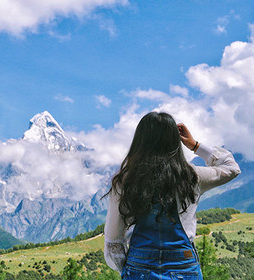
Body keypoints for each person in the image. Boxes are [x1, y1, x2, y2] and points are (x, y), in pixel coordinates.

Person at [103, 112, 241, 280]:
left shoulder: (125, 180)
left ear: (140, 141)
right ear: (174, 141)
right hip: (185, 266)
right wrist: (194, 145)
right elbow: (231, 168)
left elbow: (113, 244)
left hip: (139, 267)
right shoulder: (192, 176)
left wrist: (130, 269)